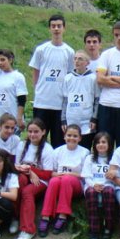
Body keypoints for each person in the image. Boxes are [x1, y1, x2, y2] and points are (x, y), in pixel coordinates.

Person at [29, 14, 75, 148]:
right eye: (53, 26)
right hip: (42, 102)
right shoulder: (41, 50)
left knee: (58, 141)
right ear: (49, 28)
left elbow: (70, 76)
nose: (56, 29)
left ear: (64, 28)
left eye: (59, 26)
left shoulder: (69, 52)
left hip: (59, 105)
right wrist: (37, 91)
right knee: (38, 140)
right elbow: (36, 72)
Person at [39, 124, 90, 236]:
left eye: (75, 136)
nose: (72, 138)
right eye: (69, 135)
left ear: (80, 138)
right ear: (64, 136)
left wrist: (68, 174)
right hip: (59, 180)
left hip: (76, 184)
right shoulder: (57, 151)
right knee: (53, 181)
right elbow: (51, 172)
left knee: (66, 179)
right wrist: (58, 175)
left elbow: (85, 174)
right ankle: (46, 216)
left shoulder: (85, 152)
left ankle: (62, 215)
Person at [14, 119, 54, 239]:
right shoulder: (22, 145)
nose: (32, 134)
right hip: (25, 177)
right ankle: (15, 217)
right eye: (30, 131)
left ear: (43, 132)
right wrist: (29, 171)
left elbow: (47, 174)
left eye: (36, 131)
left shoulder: (47, 149)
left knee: (27, 191)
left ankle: (28, 230)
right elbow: (16, 166)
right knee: (18, 182)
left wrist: (30, 169)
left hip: (41, 181)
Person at [83, 132, 117, 239]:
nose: (100, 144)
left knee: (109, 192)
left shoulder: (114, 159)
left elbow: (116, 175)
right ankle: (94, 229)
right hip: (92, 184)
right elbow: (87, 176)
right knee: (91, 193)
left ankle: (108, 227)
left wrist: (107, 182)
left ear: (109, 144)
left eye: (103, 142)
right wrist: (93, 185)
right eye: (98, 142)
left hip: (108, 184)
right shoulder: (90, 158)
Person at [62, 49, 99, 150]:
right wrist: (63, 119)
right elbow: (65, 101)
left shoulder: (93, 78)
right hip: (71, 118)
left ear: (87, 62)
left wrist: (94, 118)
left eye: (80, 59)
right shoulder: (68, 78)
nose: (77, 61)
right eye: (75, 59)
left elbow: (97, 100)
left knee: (85, 149)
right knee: (71, 147)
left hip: (86, 121)